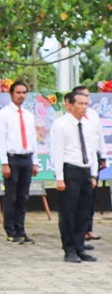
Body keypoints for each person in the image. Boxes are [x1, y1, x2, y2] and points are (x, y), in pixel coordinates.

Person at [50, 91, 99, 263]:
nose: (84, 107)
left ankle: (80, 246)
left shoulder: (88, 125)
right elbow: (57, 152)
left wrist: (93, 174)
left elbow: (92, 150)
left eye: (86, 104)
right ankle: (69, 248)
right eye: (80, 104)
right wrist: (60, 177)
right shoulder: (61, 124)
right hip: (70, 170)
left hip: (85, 170)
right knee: (68, 212)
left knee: (84, 212)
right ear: (69, 105)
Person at [0, 80, 38, 244]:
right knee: (11, 196)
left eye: (24, 93)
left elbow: (33, 139)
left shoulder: (28, 115)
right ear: (11, 94)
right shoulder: (4, 114)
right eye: (18, 92)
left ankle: (21, 229)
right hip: (12, 159)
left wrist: (35, 162)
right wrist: (4, 163)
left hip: (26, 158)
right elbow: (1, 139)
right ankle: (11, 230)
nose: (21, 96)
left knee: (23, 196)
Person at [71, 85, 106, 242]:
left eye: (87, 98)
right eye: (82, 99)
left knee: (90, 195)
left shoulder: (93, 116)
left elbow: (99, 136)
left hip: (93, 158)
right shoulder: (67, 120)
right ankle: (77, 233)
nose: (85, 103)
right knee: (77, 199)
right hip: (75, 162)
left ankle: (88, 228)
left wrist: (103, 157)